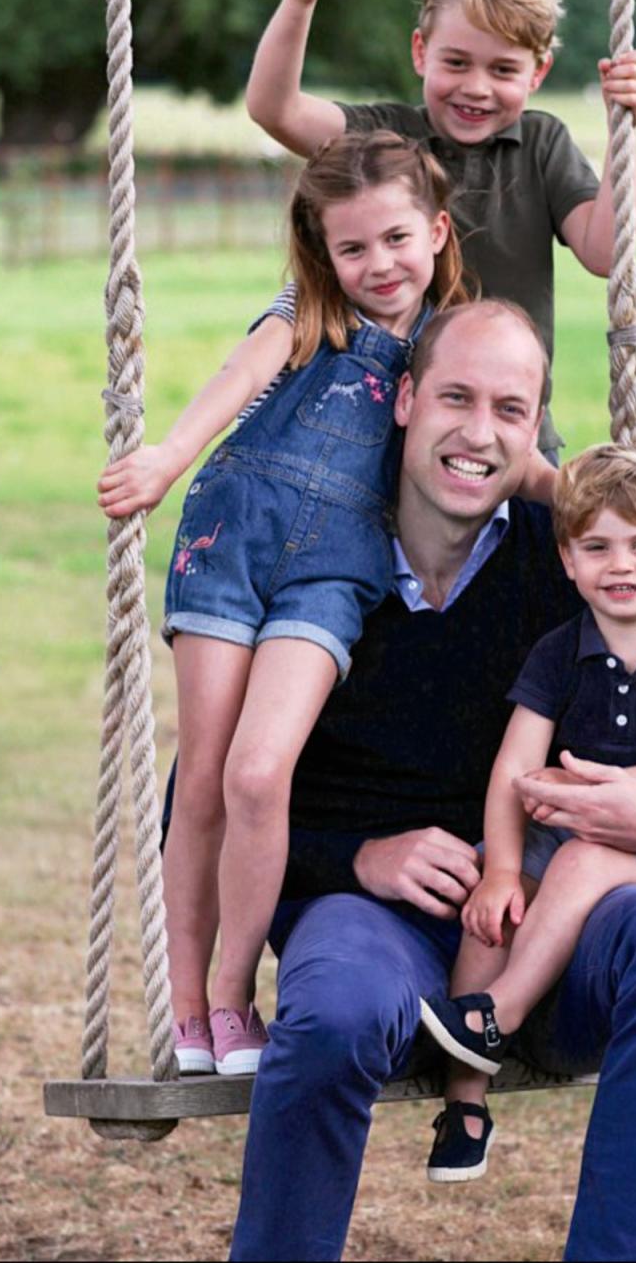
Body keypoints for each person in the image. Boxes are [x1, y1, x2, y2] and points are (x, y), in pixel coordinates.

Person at [227, 301, 636, 1262]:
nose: (479, 432)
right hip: (381, 922)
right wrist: (360, 857)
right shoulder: (317, 560)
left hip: (557, 926)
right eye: (455, 396)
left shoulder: (570, 561)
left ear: (535, 430)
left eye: (510, 407)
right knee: (333, 1010)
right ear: (405, 399)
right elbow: (204, 806)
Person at [97, 130, 477, 1077]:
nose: (377, 265)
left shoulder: (448, 340)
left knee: (262, 775)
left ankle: (233, 995)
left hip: (336, 568)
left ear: (435, 230)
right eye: (353, 248)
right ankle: (188, 1010)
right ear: (324, 251)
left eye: (395, 239)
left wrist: (589, 497)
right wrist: (165, 458)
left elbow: (492, 438)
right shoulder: (309, 309)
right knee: (207, 776)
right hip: (232, 536)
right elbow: (238, 380)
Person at [418, 444, 636, 1182]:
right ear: (568, 559)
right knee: (488, 908)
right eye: (597, 546)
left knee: (581, 857)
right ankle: (465, 1100)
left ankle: (498, 1010)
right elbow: (513, 768)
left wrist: (607, 795)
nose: (621, 564)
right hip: (557, 822)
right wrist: (502, 870)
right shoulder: (558, 652)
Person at [245, 0, 636, 453]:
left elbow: (606, 253)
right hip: (390, 440)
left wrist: (621, 130)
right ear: (421, 52)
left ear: (538, 74)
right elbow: (276, 109)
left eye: (503, 70)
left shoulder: (542, 145)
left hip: (512, 436)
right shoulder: (386, 140)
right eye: (456, 62)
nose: (476, 88)